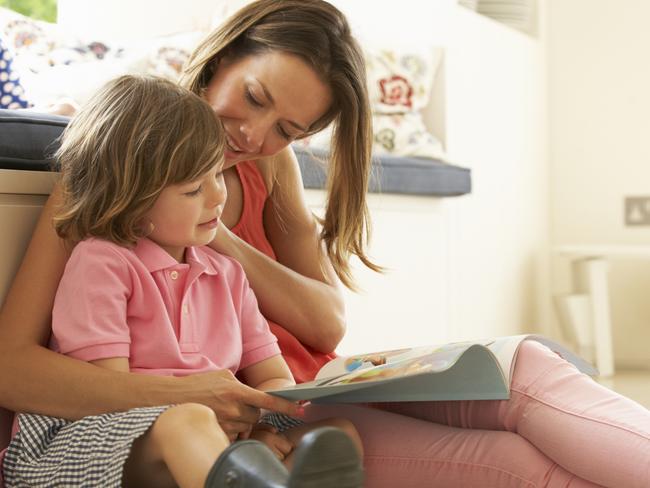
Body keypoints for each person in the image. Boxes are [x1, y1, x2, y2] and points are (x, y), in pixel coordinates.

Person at [0, 0, 648, 487]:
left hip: (298, 396)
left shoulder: (261, 173)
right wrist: (201, 395)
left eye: (286, 128)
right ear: (223, 55)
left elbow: (325, 318)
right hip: (224, 418)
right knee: (518, 463)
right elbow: (15, 369)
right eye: (252, 98)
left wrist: (218, 239)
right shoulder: (124, 167)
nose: (254, 136)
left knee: (527, 372)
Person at [2, 74, 363, 487]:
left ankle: (257, 474)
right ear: (131, 200)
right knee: (187, 423)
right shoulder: (102, 263)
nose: (217, 197)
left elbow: (272, 377)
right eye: (194, 189)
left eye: (216, 176)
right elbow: (113, 394)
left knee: (338, 432)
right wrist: (203, 410)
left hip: (212, 431)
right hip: (98, 437)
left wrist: (261, 424)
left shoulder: (227, 273)